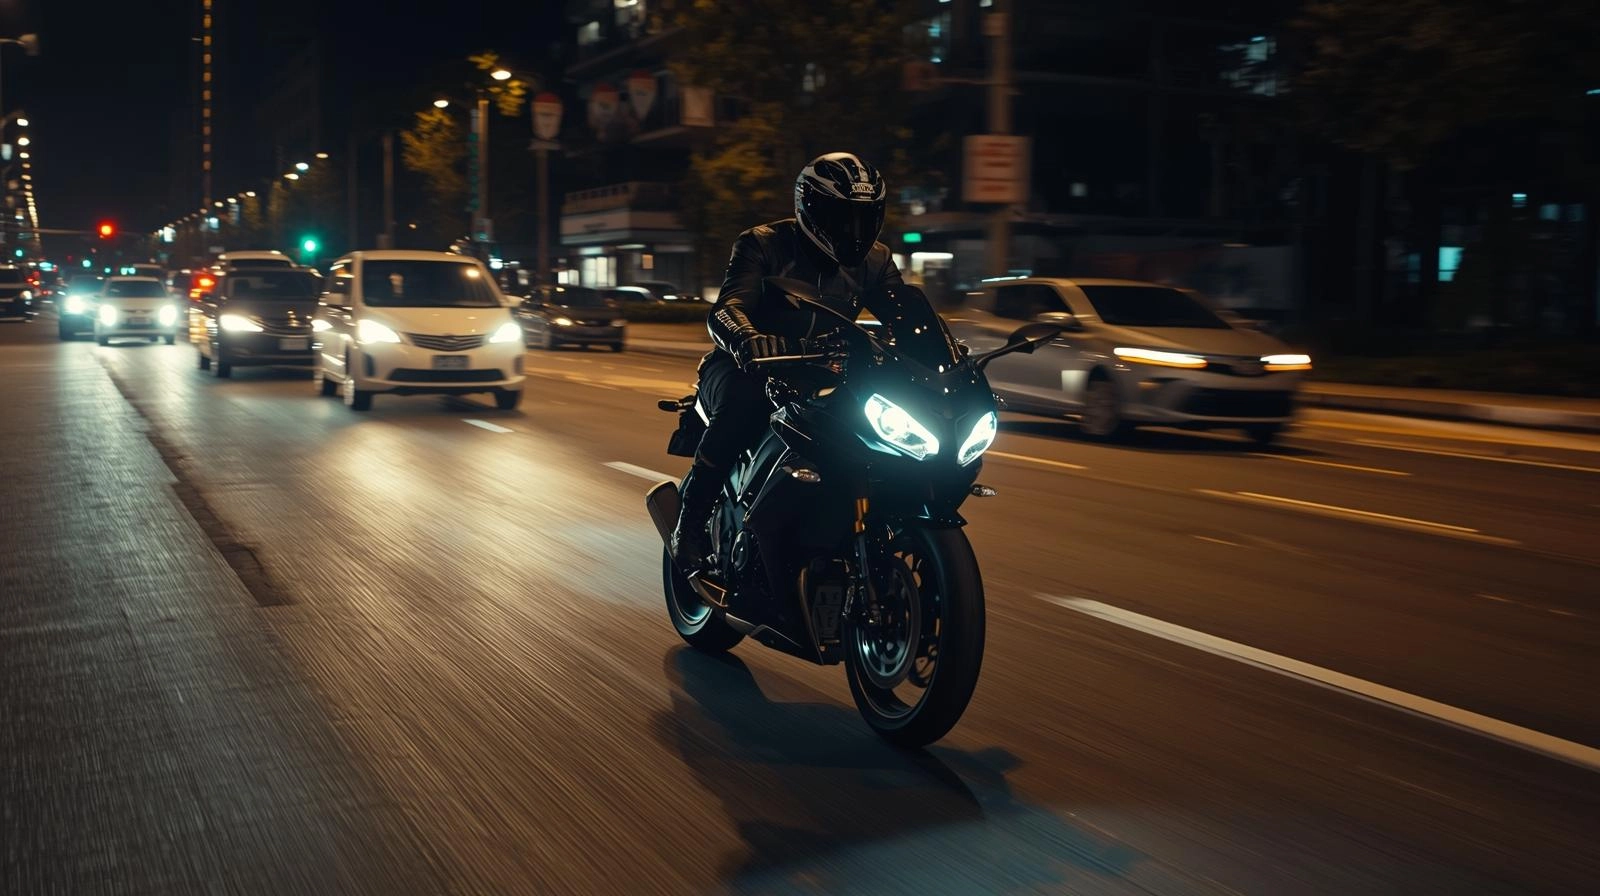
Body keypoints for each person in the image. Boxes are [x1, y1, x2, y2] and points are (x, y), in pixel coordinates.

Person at [670, 152, 903, 574]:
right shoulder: (762, 244)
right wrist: (747, 338)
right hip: (745, 365)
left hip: (822, 371)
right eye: (842, 216)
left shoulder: (877, 261)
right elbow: (727, 307)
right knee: (744, 405)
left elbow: (904, 317)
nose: (855, 229)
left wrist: (941, 354)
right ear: (810, 210)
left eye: (864, 217)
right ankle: (689, 526)